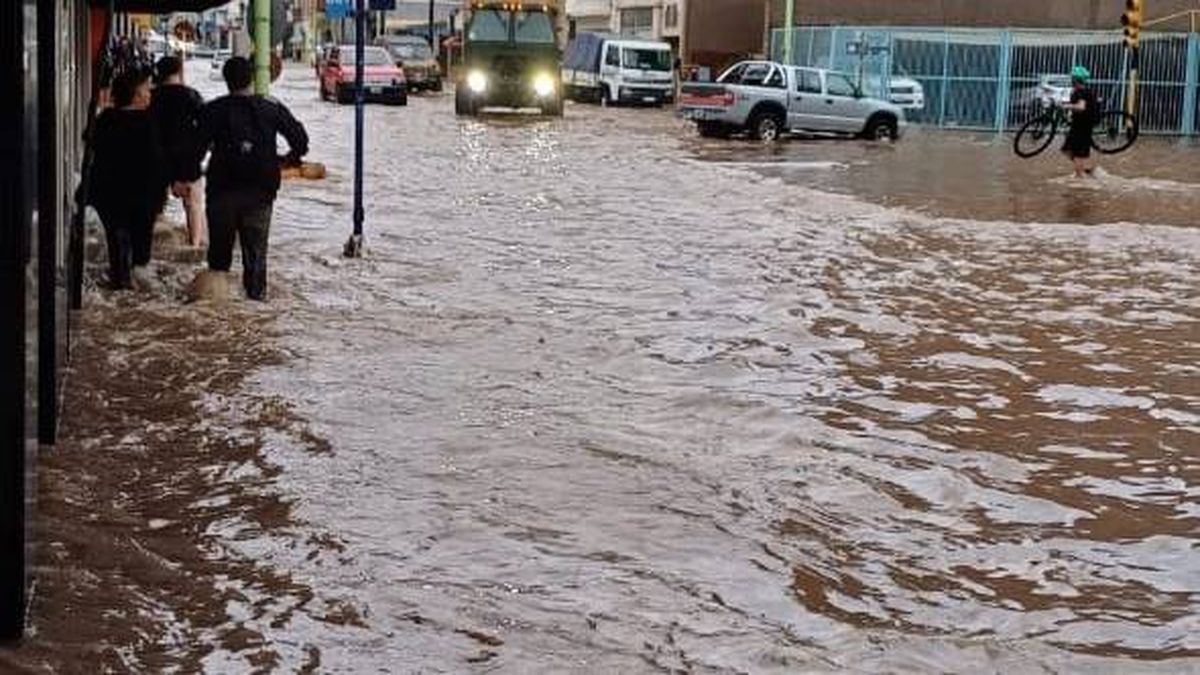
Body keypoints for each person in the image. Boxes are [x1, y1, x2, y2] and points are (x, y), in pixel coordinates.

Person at [191, 56, 308, 301]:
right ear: (251, 78)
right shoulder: (271, 107)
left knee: (219, 262)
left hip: (221, 193)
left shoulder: (213, 110)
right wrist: (288, 160)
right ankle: (256, 312)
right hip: (260, 193)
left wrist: (186, 176)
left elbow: (195, 150)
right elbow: (300, 141)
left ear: (226, 80)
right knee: (256, 260)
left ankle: (217, 312)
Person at [89, 68, 169, 290]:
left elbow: (91, 143)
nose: (150, 93)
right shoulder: (148, 123)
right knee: (140, 250)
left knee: (117, 240)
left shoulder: (105, 119)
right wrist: (162, 193)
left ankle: (120, 282)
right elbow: (158, 162)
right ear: (136, 95)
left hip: (109, 194)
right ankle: (131, 290)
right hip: (141, 197)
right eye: (146, 89)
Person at [150, 55, 207, 247]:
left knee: (154, 207)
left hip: (156, 157)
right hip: (187, 158)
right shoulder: (191, 95)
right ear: (180, 71)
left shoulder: (150, 96)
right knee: (194, 205)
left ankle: (151, 251)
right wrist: (199, 153)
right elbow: (206, 127)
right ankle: (195, 246)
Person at [1062, 65, 1098, 178]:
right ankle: (1086, 170)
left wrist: (1066, 106)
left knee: (1078, 154)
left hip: (1083, 126)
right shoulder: (1080, 91)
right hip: (1077, 125)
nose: (1071, 80)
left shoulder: (1081, 92)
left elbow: (1081, 107)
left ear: (1076, 79)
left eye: (1073, 78)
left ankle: (1080, 180)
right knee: (1066, 150)